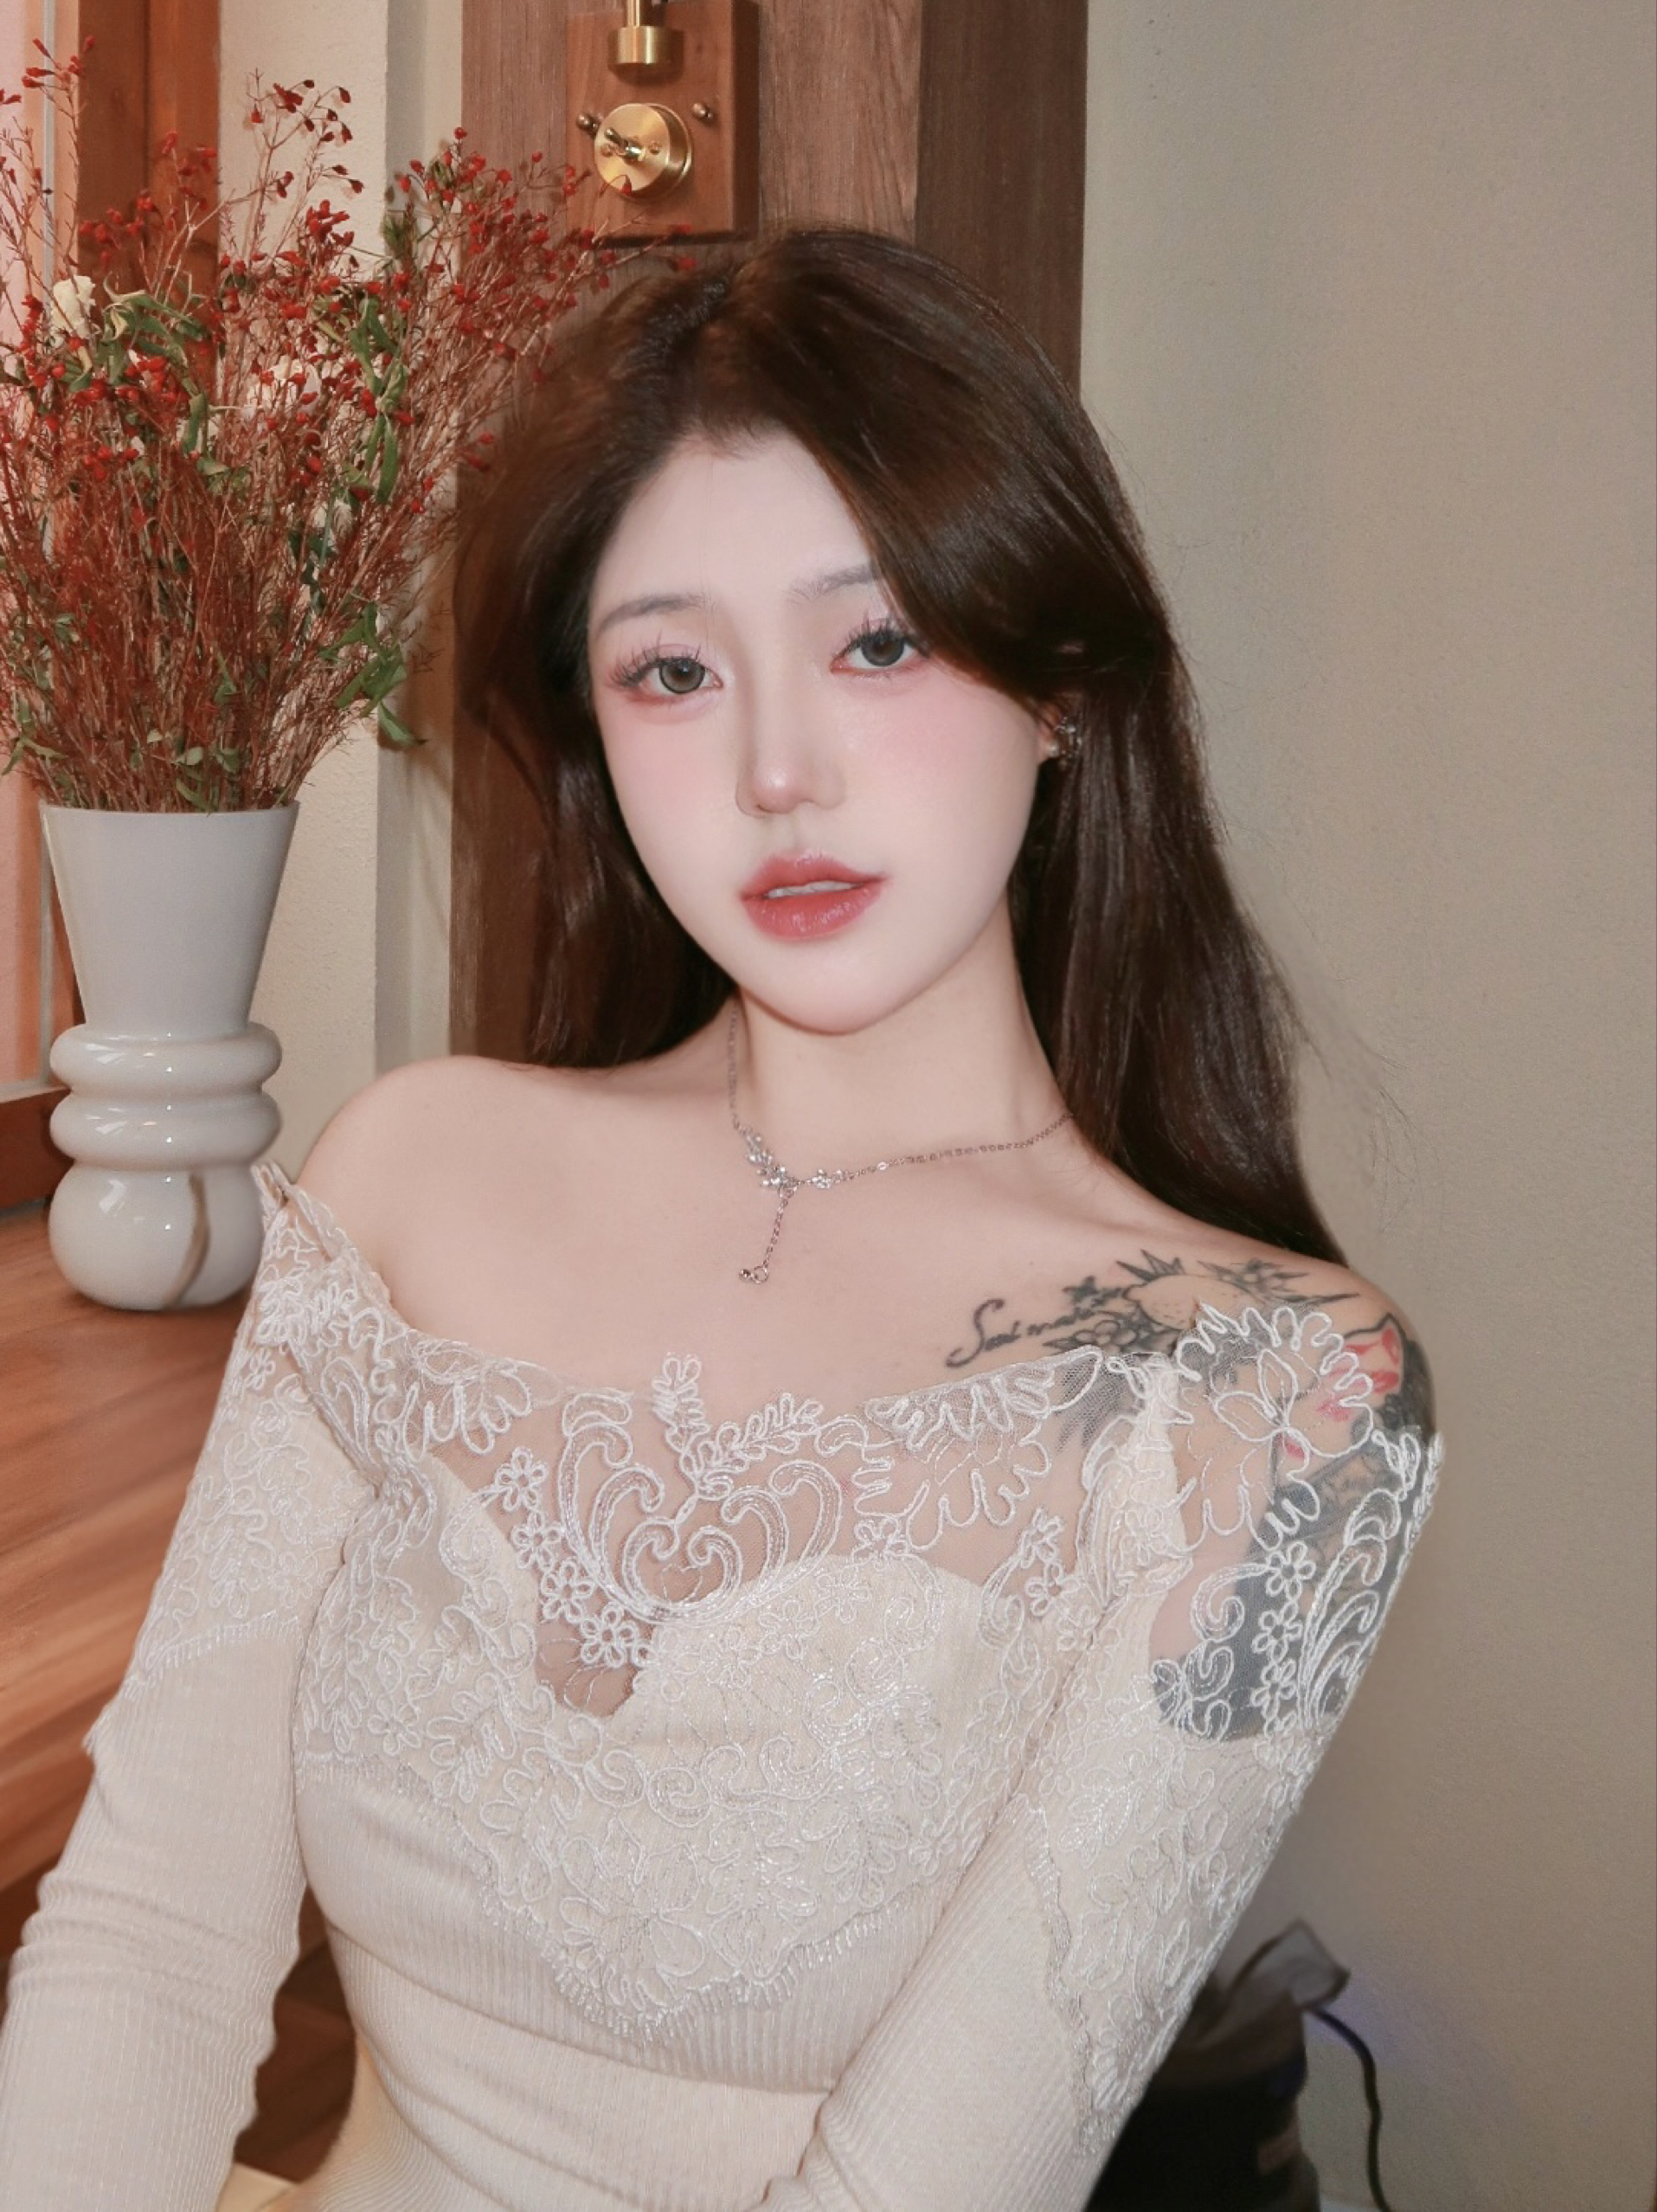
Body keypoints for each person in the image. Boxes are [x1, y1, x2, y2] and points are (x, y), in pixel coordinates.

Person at [0, 228, 1439, 2211]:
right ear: (595, 739)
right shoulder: (411, 1173)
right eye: (672, 671)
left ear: (1062, 684)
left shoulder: (1283, 1401)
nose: (776, 772)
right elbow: (150, 1934)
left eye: (879, 643)